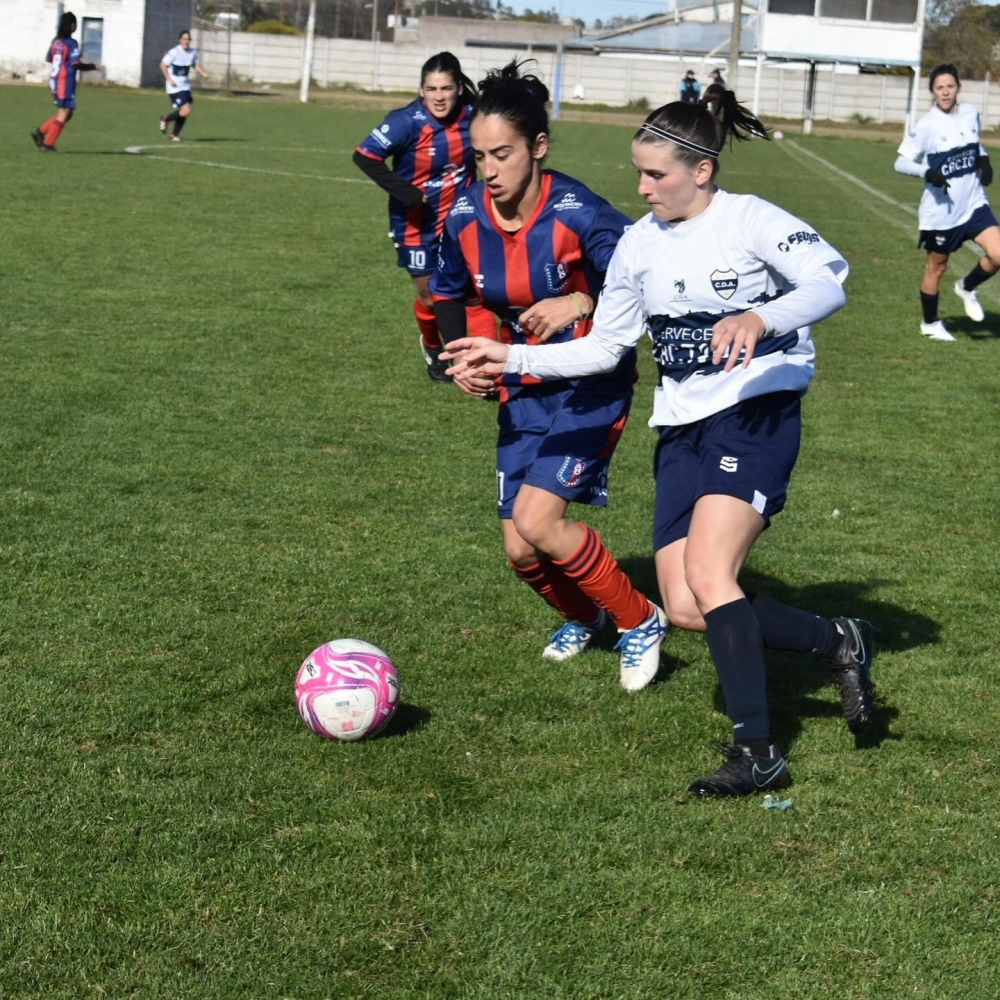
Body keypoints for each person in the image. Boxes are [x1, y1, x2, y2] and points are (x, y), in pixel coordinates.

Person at [443, 90, 877, 796]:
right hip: (680, 429)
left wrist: (760, 318)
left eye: (656, 176)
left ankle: (758, 751)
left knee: (710, 574)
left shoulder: (748, 219)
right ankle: (840, 642)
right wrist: (510, 359)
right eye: (639, 173)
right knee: (684, 606)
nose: (642, 189)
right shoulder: (641, 244)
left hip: (754, 416)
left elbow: (830, 280)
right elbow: (605, 347)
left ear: (701, 170)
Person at [431, 59, 667, 691]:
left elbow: (640, 280)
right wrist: (462, 360)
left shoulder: (579, 212)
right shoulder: (462, 216)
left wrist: (581, 301)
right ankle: (585, 616)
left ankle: (639, 619)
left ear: (537, 147)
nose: (490, 170)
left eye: (502, 154)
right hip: (525, 382)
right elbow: (449, 293)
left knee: (539, 521)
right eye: (480, 156)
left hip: (591, 381)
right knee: (518, 548)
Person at [353, 52, 496, 383]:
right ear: (421, 90)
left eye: (446, 88)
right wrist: (407, 193)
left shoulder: (474, 117)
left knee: (475, 294)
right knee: (432, 297)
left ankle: (482, 370)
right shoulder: (405, 121)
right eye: (431, 89)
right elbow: (364, 156)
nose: (439, 96)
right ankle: (433, 348)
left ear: (459, 88)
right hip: (414, 226)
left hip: (462, 223)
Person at [894, 62, 999, 342]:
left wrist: (984, 160)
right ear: (932, 92)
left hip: (974, 203)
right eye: (939, 87)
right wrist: (927, 171)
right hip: (941, 212)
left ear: (958, 88)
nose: (945, 92)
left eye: (950, 86)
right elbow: (900, 162)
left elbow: (974, 143)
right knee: (937, 268)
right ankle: (930, 323)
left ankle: (966, 287)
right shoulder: (927, 126)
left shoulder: (970, 113)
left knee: (998, 254)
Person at [30, 11, 99, 153]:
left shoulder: (56, 41)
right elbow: (75, 64)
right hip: (65, 81)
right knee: (65, 111)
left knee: (67, 113)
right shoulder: (71, 43)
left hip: (54, 81)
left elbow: (49, 58)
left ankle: (40, 132)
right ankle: (47, 144)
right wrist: (93, 66)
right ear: (72, 25)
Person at [158, 30, 209, 142]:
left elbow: (195, 65)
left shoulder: (192, 52)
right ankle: (166, 119)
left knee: (185, 112)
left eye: (188, 39)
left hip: (185, 86)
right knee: (186, 110)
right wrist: (169, 78)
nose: (186, 41)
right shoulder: (174, 52)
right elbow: (163, 65)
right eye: (184, 39)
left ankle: (174, 135)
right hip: (174, 87)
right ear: (180, 40)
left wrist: (203, 73)